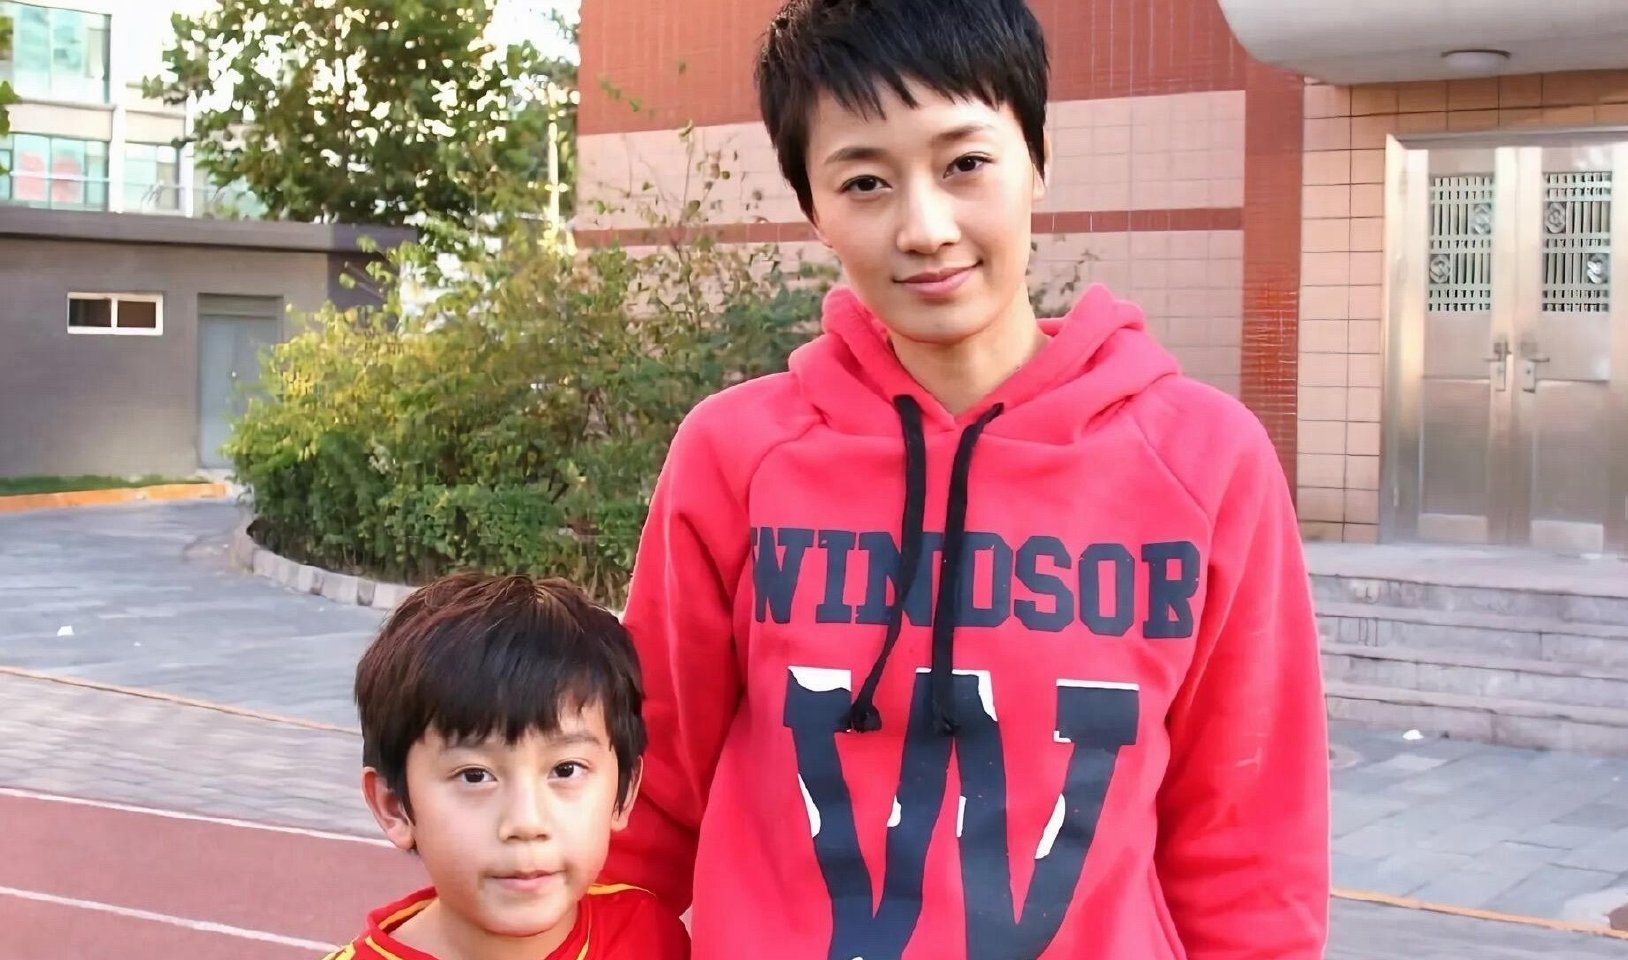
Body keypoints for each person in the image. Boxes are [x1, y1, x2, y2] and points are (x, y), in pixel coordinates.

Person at [599, 0, 1331, 956]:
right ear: (815, 210)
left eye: (965, 163)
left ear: (1037, 159)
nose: (925, 227)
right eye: (865, 182)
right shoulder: (735, 456)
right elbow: (645, 798)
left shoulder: (1206, 461)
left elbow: (1248, 846)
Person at [324, 572, 688, 960]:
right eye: (475, 776)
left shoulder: (651, 936)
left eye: (565, 769)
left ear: (624, 791)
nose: (526, 823)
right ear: (395, 806)